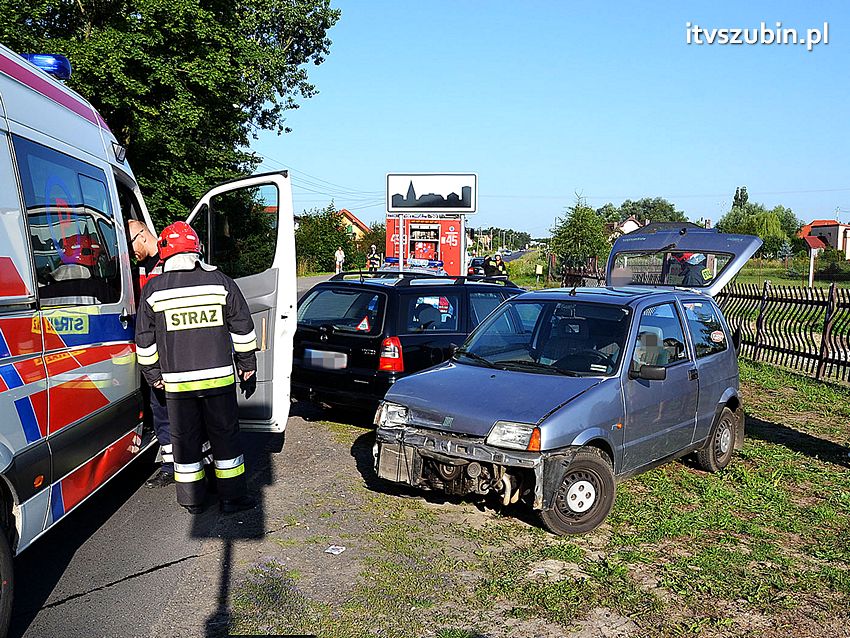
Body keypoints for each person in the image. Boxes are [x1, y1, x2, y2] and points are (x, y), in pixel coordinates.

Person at [135, 221, 258, 514]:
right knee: (225, 439)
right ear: (197, 249)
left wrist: (153, 376)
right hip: (218, 381)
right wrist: (247, 364)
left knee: (186, 442)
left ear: (164, 253)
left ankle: (192, 501)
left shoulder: (154, 289)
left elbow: (144, 341)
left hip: (177, 385)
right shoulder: (221, 282)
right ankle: (231, 498)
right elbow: (242, 329)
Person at [128, 219, 174, 488]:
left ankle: (202, 463)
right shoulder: (138, 269)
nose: (131, 251)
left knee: (184, 409)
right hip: (151, 352)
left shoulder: (170, 263)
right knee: (160, 410)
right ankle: (169, 465)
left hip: (173, 349)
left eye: (132, 242)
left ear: (143, 236)